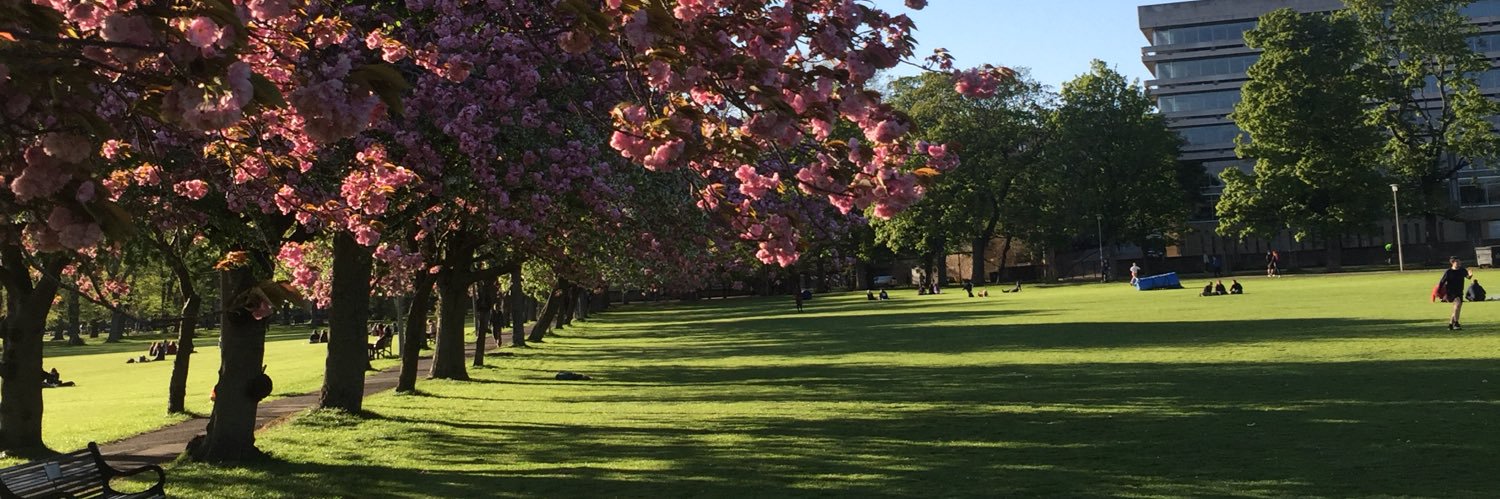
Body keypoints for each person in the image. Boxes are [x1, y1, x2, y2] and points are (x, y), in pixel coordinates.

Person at [1439, 256, 1474, 330]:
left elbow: (1468, 277)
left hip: (1459, 291)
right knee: (1457, 305)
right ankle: (1456, 323)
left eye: (1459, 261)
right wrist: (1439, 293)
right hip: (1451, 292)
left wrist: (1470, 275)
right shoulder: (1448, 272)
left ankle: (1450, 324)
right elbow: (1441, 282)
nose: (1459, 263)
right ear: (1452, 263)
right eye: (1457, 262)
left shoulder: (1462, 270)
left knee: (1457, 309)